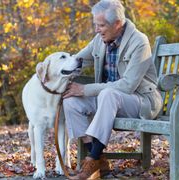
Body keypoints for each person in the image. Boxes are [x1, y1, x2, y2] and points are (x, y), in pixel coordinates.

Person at [62, 0, 163, 179]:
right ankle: (97, 156)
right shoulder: (99, 40)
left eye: (101, 25)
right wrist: (55, 73)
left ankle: (91, 161)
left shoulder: (139, 42)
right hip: (109, 100)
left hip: (139, 101)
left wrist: (85, 89)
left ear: (117, 24)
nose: (96, 29)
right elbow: (77, 61)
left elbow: (128, 85)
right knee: (71, 100)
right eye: (96, 25)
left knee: (108, 93)